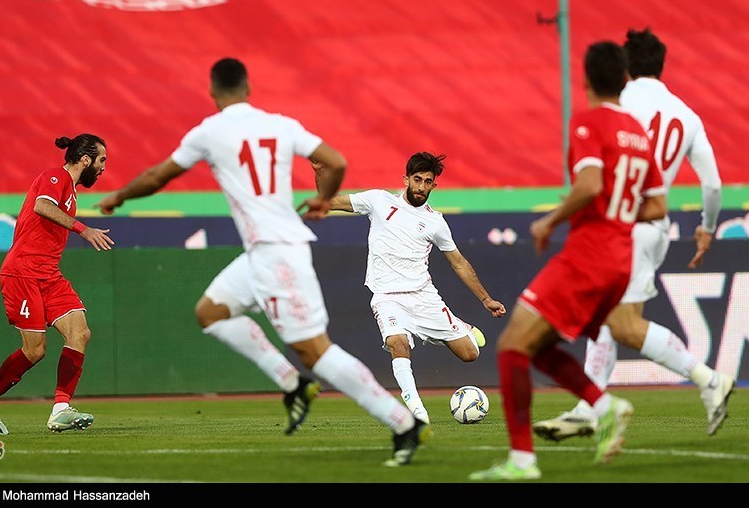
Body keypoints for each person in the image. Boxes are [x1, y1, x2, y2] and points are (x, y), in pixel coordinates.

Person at [95, 57, 431, 466]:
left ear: (212, 91)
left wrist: (119, 196)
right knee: (210, 312)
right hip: (261, 253)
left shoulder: (208, 131)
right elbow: (336, 162)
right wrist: (324, 199)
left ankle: (403, 423)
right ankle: (291, 384)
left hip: (278, 251)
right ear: (249, 88)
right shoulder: (280, 125)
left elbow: (158, 176)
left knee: (316, 352)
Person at [468, 41, 667, 481]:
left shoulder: (588, 122)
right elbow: (657, 206)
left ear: (586, 78)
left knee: (511, 345)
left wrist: (551, 220)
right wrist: (616, 213)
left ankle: (522, 461)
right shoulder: (638, 132)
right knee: (536, 347)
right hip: (621, 261)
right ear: (624, 80)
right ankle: (603, 405)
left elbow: (591, 183)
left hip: (589, 254)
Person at [532, 28, 735, 442]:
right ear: (661, 65)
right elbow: (712, 184)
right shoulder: (686, 115)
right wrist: (707, 227)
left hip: (621, 224)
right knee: (605, 317)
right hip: (654, 226)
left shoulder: (619, 103)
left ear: (625, 67)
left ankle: (709, 379)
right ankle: (589, 408)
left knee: (623, 323)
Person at [320, 151, 507, 423]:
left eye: (427, 182)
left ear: (434, 185)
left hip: (424, 297)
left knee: (469, 354)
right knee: (397, 343)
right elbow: (330, 202)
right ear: (406, 179)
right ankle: (418, 411)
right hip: (387, 297)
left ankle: (460, 327)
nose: (421, 186)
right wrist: (320, 174)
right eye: (417, 179)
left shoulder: (435, 222)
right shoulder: (379, 201)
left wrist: (486, 299)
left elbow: (458, 263)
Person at [0, 133, 112, 435]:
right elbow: (42, 207)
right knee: (35, 351)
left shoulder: (71, 190)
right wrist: (84, 230)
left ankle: (60, 410)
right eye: (101, 161)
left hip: (49, 274)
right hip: (22, 271)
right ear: (85, 159)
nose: (103, 168)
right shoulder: (54, 176)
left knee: (80, 333)